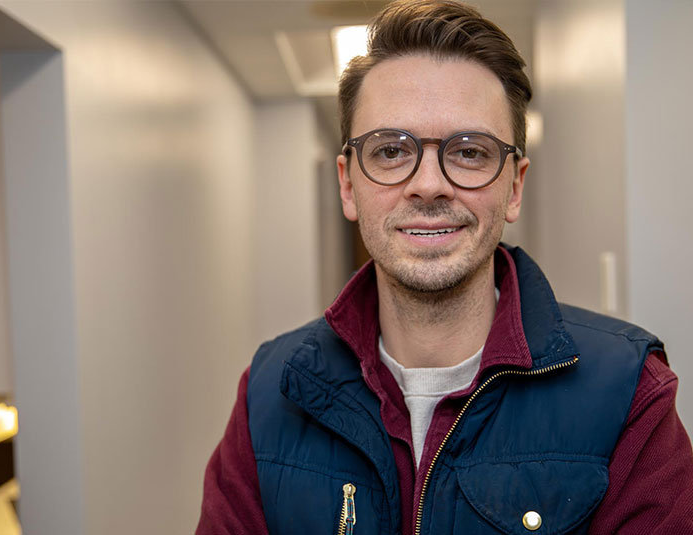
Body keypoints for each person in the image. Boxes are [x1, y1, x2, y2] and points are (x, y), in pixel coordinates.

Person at [197, 1, 693, 533]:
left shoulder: (628, 394)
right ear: (347, 183)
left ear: (514, 187)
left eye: (469, 152)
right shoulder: (270, 393)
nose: (428, 184)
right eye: (390, 150)